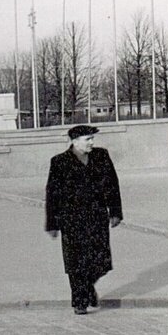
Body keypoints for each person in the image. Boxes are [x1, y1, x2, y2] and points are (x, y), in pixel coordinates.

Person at [45, 125, 123, 315]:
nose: (92, 143)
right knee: (76, 262)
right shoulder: (59, 162)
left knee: (101, 261)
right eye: (88, 139)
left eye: (92, 139)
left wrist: (115, 212)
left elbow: (112, 184)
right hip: (71, 219)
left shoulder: (101, 156)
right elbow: (52, 193)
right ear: (74, 141)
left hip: (97, 216)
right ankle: (80, 302)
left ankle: (87, 288)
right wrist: (53, 223)